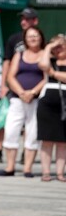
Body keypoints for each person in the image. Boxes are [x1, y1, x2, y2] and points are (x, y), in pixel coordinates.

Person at [0, 7, 39, 163]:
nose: (23, 22)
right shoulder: (15, 39)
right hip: (13, 86)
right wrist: (3, 84)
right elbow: (6, 61)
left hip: (33, 87)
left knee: (30, 122)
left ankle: (25, 153)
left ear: (35, 21)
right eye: (22, 19)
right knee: (4, 116)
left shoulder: (39, 38)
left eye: (27, 19)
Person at [0, 26, 46, 178]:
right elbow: (10, 76)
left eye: (36, 36)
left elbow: (47, 77)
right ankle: (10, 167)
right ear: (25, 39)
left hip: (36, 100)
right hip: (18, 98)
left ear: (41, 38)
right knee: (11, 130)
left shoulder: (45, 55)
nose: (33, 38)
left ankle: (28, 168)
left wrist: (32, 92)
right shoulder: (19, 54)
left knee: (32, 132)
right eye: (30, 36)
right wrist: (22, 92)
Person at [37, 34, 66, 182]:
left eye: (61, 46)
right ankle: (46, 171)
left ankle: (60, 172)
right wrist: (49, 47)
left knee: (63, 141)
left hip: (64, 103)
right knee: (46, 139)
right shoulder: (50, 60)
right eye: (56, 47)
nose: (58, 49)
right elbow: (43, 65)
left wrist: (54, 73)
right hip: (47, 103)